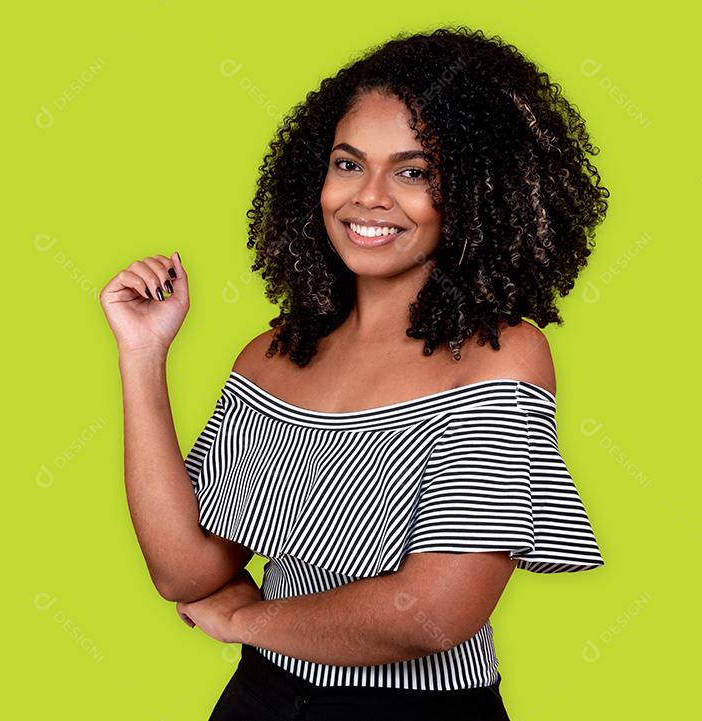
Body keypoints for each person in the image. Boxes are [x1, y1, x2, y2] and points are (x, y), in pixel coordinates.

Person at [99, 25, 608, 720]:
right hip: (259, 700)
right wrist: (143, 353)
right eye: (347, 164)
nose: (369, 196)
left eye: (414, 171)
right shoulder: (273, 353)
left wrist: (246, 620)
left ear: (476, 191)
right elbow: (186, 570)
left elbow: (434, 611)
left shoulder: (501, 356)